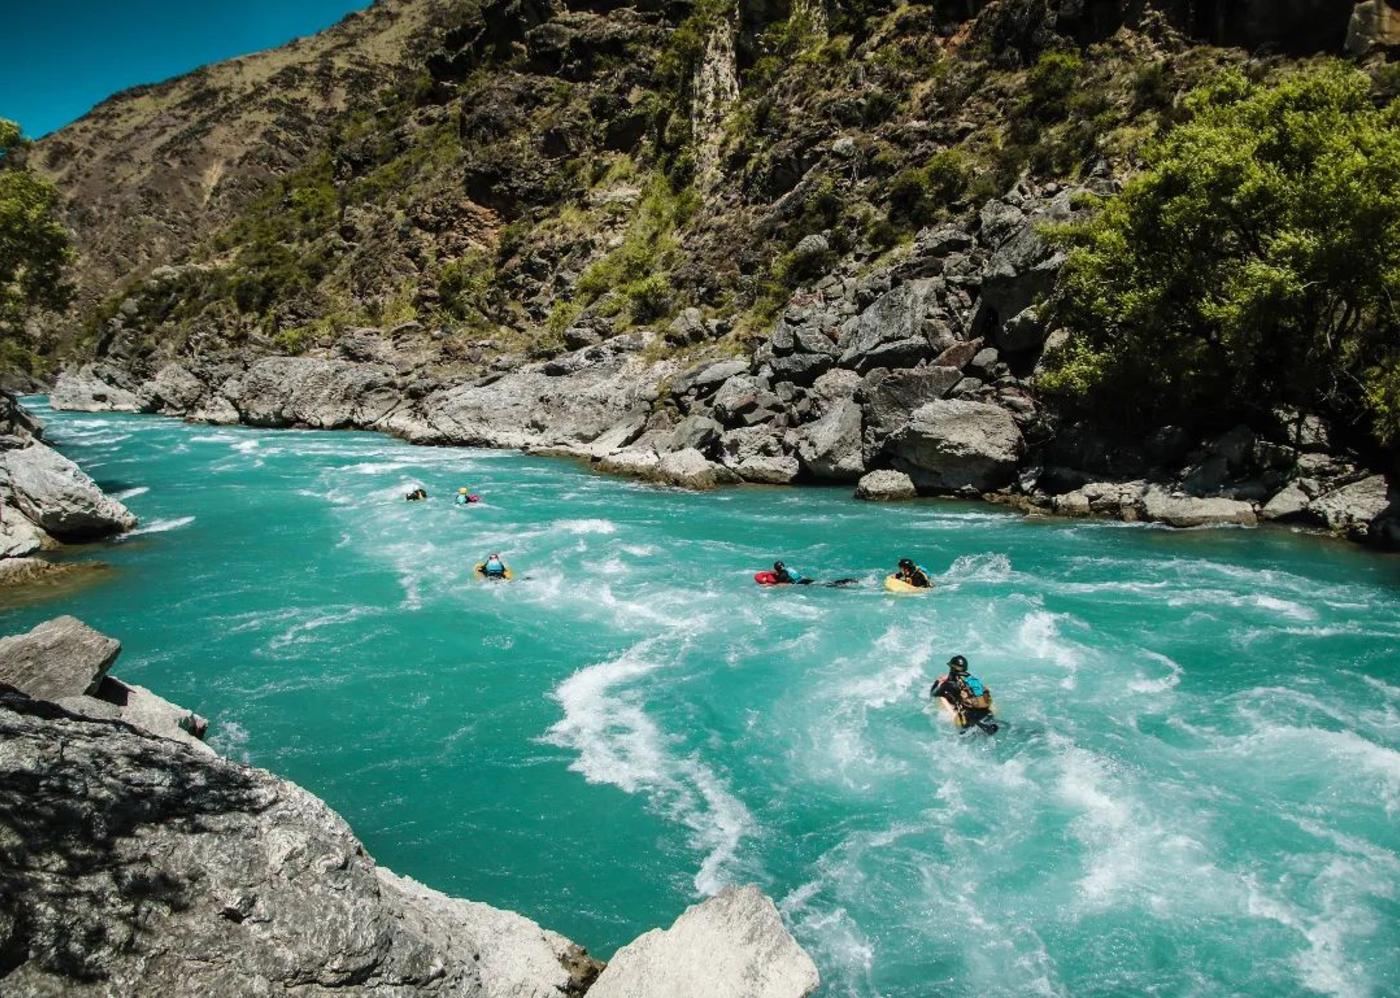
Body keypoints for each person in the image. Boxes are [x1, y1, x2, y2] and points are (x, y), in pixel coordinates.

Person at [930, 655, 997, 734]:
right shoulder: (970, 678)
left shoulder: (948, 685)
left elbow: (933, 693)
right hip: (987, 713)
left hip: (969, 721)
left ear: (952, 668)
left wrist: (937, 682)